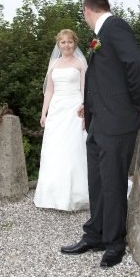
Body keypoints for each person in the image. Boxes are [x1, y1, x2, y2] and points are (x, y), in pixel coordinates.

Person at [61, 0, 140, 267]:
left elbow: (135, 62)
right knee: (97, 182)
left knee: (113, 183)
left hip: (117, 123)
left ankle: (114, 242)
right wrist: (88, 107)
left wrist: (137, 102)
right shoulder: (102, 34)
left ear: (87, 10)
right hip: (98, 121)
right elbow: (107, 76)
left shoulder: (115, 26)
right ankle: (95, 234)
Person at [34, 29, 90, 211]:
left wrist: (85, 108)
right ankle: (52, 195)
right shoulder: (54, 63)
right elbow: (49, 90)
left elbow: (85, 89)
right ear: (58, 44)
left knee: (73, 148)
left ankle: (77, 195)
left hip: (74, 109)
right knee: (54, 149)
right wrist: (44, 113)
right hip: (57, 110)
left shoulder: (80, 63)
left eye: (70, 42)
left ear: (75, 43)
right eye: (63, 42)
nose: (67, 45)